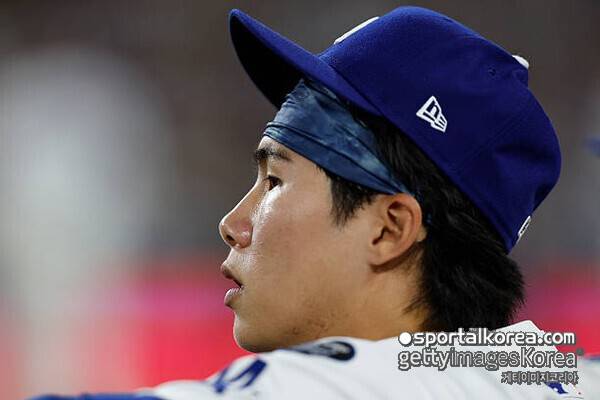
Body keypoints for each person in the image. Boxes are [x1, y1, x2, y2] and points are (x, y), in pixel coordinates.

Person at [31, 6, 597, 399]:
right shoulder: (553, 371)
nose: (233, 223)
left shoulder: (336, 386)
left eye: (275, 181)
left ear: (389, 229)